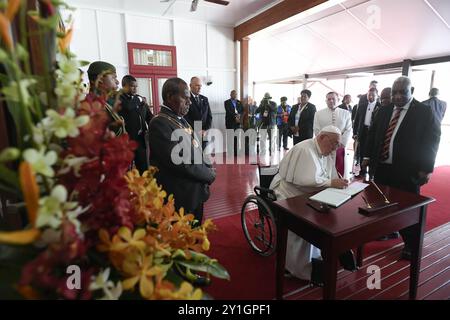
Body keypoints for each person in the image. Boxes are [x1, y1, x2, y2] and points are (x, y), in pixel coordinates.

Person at [362, 76, 441, 260]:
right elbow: (373, 134)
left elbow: (432, 141)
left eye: (402, 92)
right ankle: (390, 230)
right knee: (381, 204)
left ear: (411, 91)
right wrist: (366, 156)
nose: (397, 97)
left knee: (408, 210)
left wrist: (426, 168)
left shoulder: (424, 112)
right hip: (382, 168)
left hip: (407, 171)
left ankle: (412, 245)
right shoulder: (384, 109)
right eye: (394, 92)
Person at [269, 125, 356, 285]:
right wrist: (331, 182)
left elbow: (330, 174)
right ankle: (298, 269)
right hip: (289, 193)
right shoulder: (304, 150)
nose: (335, 148)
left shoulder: (324, 149)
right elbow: (303, 182)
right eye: (334, 144)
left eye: (338, 145)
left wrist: (340, 181)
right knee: (303, 225)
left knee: (330, 216)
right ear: (322, 137)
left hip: (311, 194)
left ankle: (327, 251)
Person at [148, 77, 216, 226]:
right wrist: (208, 174)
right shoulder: (159, 123)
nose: (189, 102)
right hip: (181, 195)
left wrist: (208, 165)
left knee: (196, 234)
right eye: (185, 98)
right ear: (170, 97)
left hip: (194, 192)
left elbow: (196, 147)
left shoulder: (180, 119)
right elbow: (180, 162)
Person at [119, 75, 153, 173]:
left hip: (140, 139)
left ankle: (145, 187)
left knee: (144, 167)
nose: (135, 89)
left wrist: (153, 126)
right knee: (126, 170)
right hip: (127, 140)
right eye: (132, 86)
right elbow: (128, 107)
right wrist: (139, 100)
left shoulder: (139, 99)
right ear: (124, 86)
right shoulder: (120, 99)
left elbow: (149, 116)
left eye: (136, 86)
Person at [313, 92, 352, 177]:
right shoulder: (318, 114)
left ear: (338, 100)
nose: (331, 101)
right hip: (325, 146)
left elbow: (348, 129)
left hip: (339, 146)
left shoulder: (346, 113)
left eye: (333, 99)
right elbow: (316, 129)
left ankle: (339, 181)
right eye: (329, 99)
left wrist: (342, 143)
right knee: (324, 168)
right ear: (325, 101)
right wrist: (324, 143)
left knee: (340, 169)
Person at [84, 61, 126, 136]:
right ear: (99, 80)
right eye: (113, 78)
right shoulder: (91, 106)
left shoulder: (104, 102)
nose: (117, 82)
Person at [353, 87, 380, 175]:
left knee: (371, 151)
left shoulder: (380, 107)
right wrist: (354, 132)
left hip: (374, 132)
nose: (371, 97)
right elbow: (356, 120)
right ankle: (362, 170)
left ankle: (371, 172)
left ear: (377, 96)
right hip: (363, 131)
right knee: (361, 151)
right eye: (369, 95)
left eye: (373, 95)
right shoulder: (361, 106)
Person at [184, 76, 212, 149]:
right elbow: (185, 117)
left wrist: (205, 129)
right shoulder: (186, 99)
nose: (199, 88)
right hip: (192, 134)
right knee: (194, 156)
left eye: (200, 86)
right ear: (190, 86)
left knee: (202, 155)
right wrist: (197, 130)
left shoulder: (205, 99)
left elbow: (209, 116)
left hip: (204, 133)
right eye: (197, 85)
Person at [224, 90, 244, 155]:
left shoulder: (239, 102)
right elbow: (228, 111)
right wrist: (235, 116)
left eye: (235, 94)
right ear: (230, 94)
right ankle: (230, 152)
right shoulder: (226, 102)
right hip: (230, 122)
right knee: (230, 138)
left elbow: (242, 110)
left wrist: (239, 115)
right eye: (233, 94)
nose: (234, 95)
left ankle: (236, 152)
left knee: (236, 137)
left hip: (237, 123)